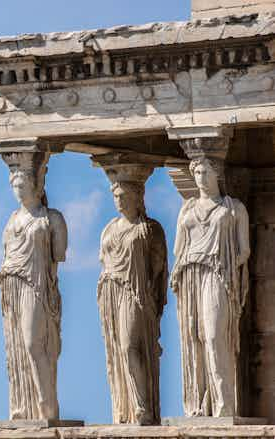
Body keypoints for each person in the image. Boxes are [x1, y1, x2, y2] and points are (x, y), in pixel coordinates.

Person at [171, 156, 250, 417]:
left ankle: (225, 403)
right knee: (194, 338)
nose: (200, 178)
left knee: (215, 336)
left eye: (205, 172)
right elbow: (178, 249)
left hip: (218, 273)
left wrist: (224, 265)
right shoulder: (187, 209)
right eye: (196, 173)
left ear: (217, 173)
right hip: (190, 275)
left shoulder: (234, 208)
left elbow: (244, 251)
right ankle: (199, 404)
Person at [0, 152, 67, 420]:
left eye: (23, 185)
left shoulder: (51, 218)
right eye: (15, 186)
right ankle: (25, 408)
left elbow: (59, 254)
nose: (18, 191)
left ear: (35, 186)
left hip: (36, 284)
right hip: (12, 285)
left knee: (32, 342)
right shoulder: (12, 219)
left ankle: (46, 403)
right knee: (15, 345)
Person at [97, 178, 167, 425]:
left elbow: (158, 267)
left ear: (138, 198)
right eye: (116, 196)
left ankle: (143, 406)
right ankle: (126, 407)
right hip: (111, 291)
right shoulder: (109, 228)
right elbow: (103, 259)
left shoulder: (148, 229)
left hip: (135, 293)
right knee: (117, 349)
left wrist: (151, 295)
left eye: (125, 195)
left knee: (129, 346)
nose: (120, 200)